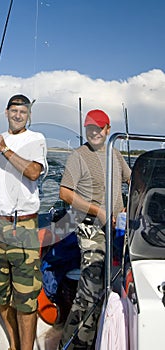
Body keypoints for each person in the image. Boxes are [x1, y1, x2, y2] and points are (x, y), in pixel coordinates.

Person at [0, 94, 48, 350]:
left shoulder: (35, 139)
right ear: (6, 112)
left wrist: (4, 147)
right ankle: (14, 345)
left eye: (23, 112)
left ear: (28, 115)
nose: (18, 115)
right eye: (14, 111)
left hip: (23, 226)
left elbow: (33, 172)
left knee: (26, 297)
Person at [58, 109, 131, 349]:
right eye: (90, 127)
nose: (94, 132)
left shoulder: (116, 154)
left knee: (114, 287)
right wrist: (98, 211)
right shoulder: (78, 156)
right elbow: (65, 193)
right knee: (89, 291)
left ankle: (101, 338)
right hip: (90, 229)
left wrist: (126, 209)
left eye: (99, 128)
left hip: (117, 230)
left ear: (108, 129)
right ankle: (71, 344)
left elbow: (134, 181)